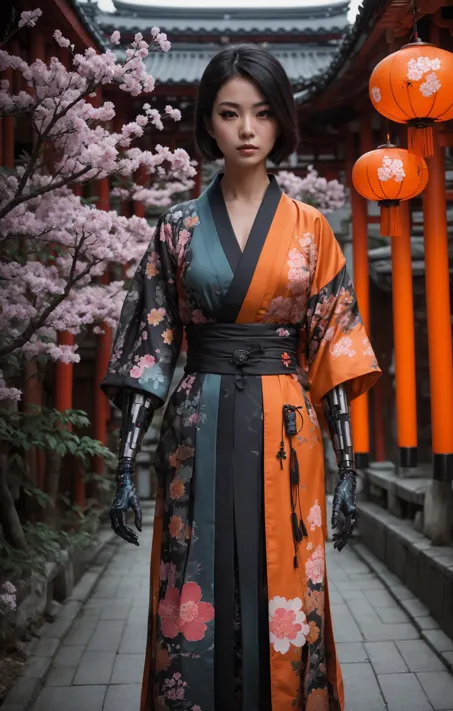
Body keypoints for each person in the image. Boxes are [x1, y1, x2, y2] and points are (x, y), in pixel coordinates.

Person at [101, 44, 381, 711]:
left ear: (281, 121)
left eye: (261, 113)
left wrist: (351, 469)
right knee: (190, 583)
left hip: (288, 422)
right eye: (230, 114)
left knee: (290, 581)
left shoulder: (313, 230)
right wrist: (121, 465)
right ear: (209, 124)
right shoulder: (174, 228)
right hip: (195, 424)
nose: (247, 130)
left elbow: (334, 346)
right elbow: (149, 343)